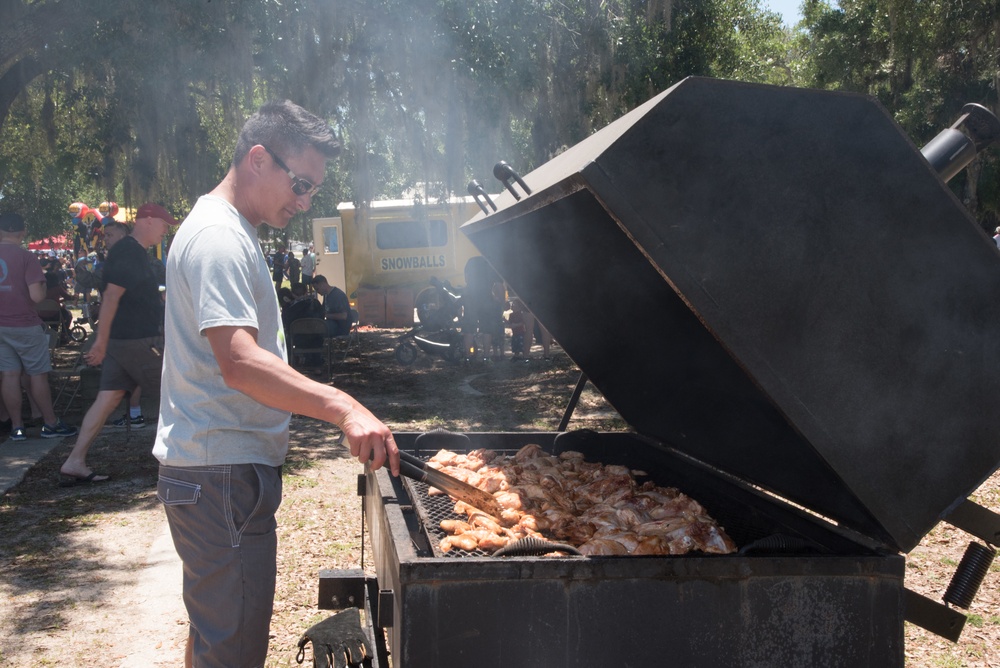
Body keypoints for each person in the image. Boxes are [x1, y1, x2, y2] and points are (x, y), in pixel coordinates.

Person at [152, 100, 399, 668]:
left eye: (313, 190)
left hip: (214, 475)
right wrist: (343, 406)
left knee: (215, 634)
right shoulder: (219, 238)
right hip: (221, 479)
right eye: (303, 183)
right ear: (259, 158)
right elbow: (238, 360)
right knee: (233, 652)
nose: (306, 201)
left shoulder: (228, 229)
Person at [58, 203, 176, 485]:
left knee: (107, 399)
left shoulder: (133, 252)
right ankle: (185, 461)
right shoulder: (129, 251)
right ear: (147, 220)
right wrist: (100, 342)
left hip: (124, 341)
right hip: (136, 341)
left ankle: (75, 461)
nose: (166, 229)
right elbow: (111, 297)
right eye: (163, 223)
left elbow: (133, 297)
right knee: (174, 393)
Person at [0, 212, 79, 442]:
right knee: (38, 375)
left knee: (9, 375)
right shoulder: (26, 258)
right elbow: (36, 296)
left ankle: (17, 427)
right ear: (22, 232)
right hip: (25, 324)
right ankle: (50, 423)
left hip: (0, 326)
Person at [101, 219, 145, 428]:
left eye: (109, 235)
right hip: (119, 326)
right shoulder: (113, 258)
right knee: (121, 374)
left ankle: (135, 413)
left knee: (134, 372)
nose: (106, 239)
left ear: (122, 234)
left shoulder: (135, 254)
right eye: (104, 236)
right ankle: (131, 413)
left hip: (136, 326)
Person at [282, 282, 325, 367]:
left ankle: (291, 363)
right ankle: (317, 366)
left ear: (292, 294)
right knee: (316, 334)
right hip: (316, 339)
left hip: (298, 340)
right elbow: (322, 317)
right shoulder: (316, 303)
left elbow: (285, 323)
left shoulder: (289, 308)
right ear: (306, 292)